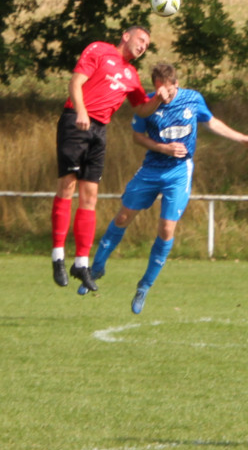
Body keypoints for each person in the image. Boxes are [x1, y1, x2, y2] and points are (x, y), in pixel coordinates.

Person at [85, 62, 248, 314]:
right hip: (151, 169)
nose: (162, 96)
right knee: (123, 216)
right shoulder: (146, 105)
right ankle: (97, 268)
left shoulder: (192, 99)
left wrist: (242, 138)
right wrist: (162, 147)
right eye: (158, 91)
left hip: (178, 172)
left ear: (175, 85)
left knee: (166, 228)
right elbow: (137, 137)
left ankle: (145, 285)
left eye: (166, 92)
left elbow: (212, 122)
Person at [50, 27, 170, 292]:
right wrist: (81, 111)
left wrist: (159, 100)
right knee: (67, 187)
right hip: (76, 121)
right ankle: (58, 255)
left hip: (100, 131)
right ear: (126, 36)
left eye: (147, 45)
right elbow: (75, 82)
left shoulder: (131, 75)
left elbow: (141, 109)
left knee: (90, 196)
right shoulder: (99, 50)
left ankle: (81, 262)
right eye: (141, 40)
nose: (143, 47)